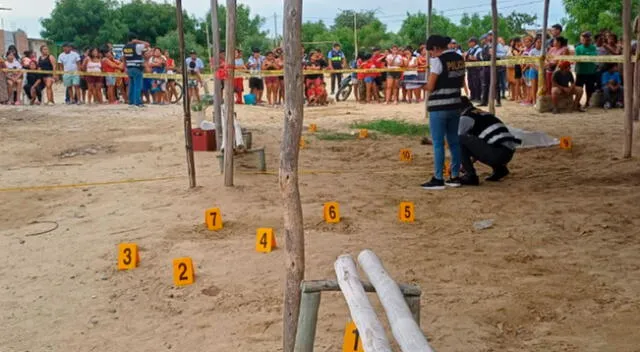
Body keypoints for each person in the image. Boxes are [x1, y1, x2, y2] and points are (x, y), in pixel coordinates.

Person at [421, 35, 465, 190]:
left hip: (439, 106)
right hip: (455, 104)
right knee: (454, 141)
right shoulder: (459, 58)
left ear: (435, 48)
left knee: (438, 143)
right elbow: (461, 82)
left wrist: (422, 86)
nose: (430, 55)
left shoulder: (436, 61)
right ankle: (455, 176)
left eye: (430, 51)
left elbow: (431, 86)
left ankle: (438, 178)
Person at [457, 97, 521, 185]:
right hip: (508, 152)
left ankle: (470, 176)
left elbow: (458, 140)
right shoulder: (481, 113)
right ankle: (500, 169)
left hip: (497, 153)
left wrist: (460, 165)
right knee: (481, 140)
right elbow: (476, 145)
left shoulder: (466, 117)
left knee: (459, 139)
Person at [123, 33, 148, 107]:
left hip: (129, 68)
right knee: (138, 86)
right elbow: (147, 44)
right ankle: (137, 102)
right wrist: (138, 41)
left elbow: (124, 58)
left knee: (132, 86)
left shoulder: (125, 47)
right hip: (137, 68)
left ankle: (131, 102)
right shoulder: (137, 46)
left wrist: (125, 68)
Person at [574, 31, 598, 108]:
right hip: (580, 71)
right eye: (583, 39)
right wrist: (586, 56)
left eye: (587, 39)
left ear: (590, 40)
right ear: (581, 40)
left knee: (589, 88)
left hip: (590, 71)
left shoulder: (593, 47)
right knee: (579, 88)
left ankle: (587, 102)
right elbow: (578, 58)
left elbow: (593, 56)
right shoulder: (578, 48)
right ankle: (577, 102)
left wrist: (584, 56)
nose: (585, 40)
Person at [522, 36, 542, 106]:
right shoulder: (532, 51)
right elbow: (530, 62)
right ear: (535, 42)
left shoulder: (544, 51)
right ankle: (534, 101)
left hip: (541, 70)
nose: (539, 43)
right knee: (533, 86)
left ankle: (539, 100)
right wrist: (536, 67)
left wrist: (541, 68)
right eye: (538, 42)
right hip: (533, 70)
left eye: (540, 42)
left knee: (540, 86)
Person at [465, 37, 483, 102]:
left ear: (473, 42)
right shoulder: (470, 49)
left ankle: (478, 97)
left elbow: (479, 58)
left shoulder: (479, 49)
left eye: (469, 42)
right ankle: (472, 96)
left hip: (476, 69)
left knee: (477, 83)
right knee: (470, 83)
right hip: (470, 69)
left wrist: (471, 57)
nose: (468, 44)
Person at [507, 37, 523, 102]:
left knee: (519, 82)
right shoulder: (514, 49)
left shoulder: (518, 48)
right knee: (517, 83)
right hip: (517, 66)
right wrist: (521, 51)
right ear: (517, 42)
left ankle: (518, 96)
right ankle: (516, 98)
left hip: (520, 66)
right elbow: (516, 57)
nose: (521, 42)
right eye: (520, 41)